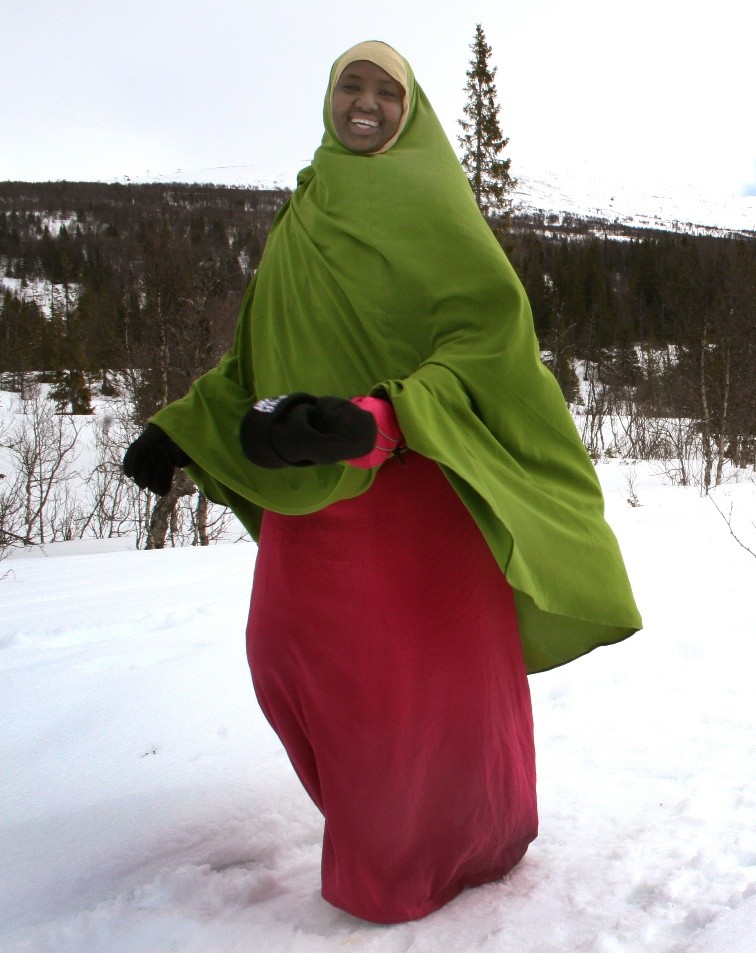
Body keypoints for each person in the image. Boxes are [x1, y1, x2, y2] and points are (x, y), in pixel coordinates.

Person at [121, 41, 641, 925]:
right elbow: (258, 353)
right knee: (284, 658)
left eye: (386, 92)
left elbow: (486, 345)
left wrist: (378, 417)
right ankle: (431, 828)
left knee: (399, 700)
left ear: (414, 108)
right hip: (305, 494)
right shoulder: (310, 201)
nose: (365, 104)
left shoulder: (433, 205)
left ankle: (400, 872)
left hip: (408, 496)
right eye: (350, 87)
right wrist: (181, 430)